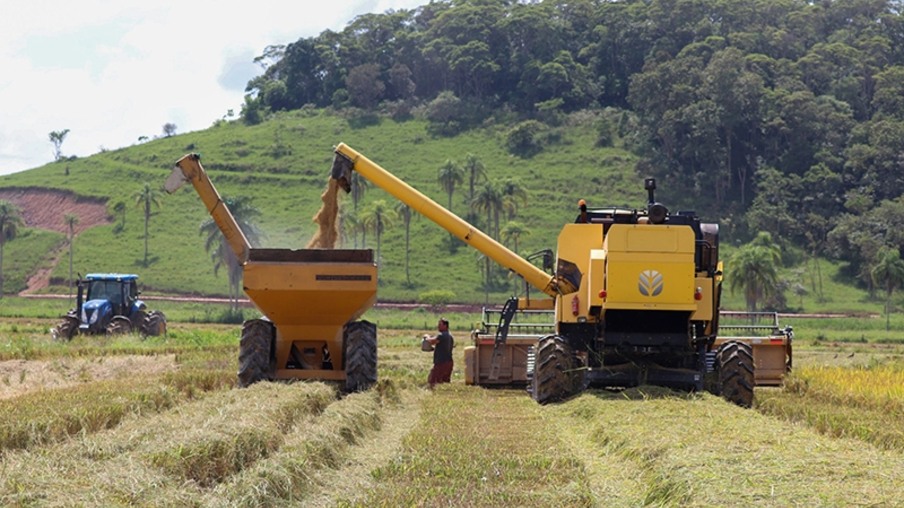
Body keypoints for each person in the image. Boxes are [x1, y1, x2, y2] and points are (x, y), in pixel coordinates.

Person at [424, 318, 454, 389]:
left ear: (445, 326)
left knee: (432, 381)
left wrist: (427, 337)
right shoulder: (450, 336)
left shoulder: (441, 335)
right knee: (444, 382)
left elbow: (432, 341)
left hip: (441, 363)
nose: (438, 326)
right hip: (449, 362)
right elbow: (443, 347)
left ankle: (431, 393)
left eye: (440, 325)